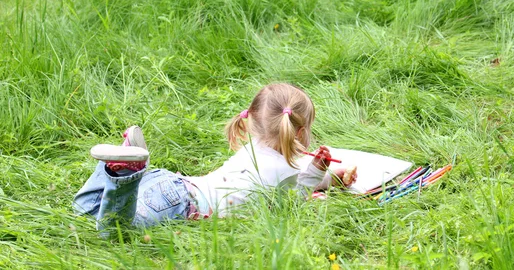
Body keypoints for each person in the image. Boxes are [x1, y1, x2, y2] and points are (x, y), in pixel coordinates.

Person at [73, 83, 357, 233]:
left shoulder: (256, 147)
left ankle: (122, 167)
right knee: (115, 231)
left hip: (171, 184)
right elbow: (294, 202)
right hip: (179, 204)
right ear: (302, 132)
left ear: (253, 122)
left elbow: (294, 184)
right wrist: (318, 172)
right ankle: (126, 173)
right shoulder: (286, 171)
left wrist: (330, 177)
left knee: (86, 208)